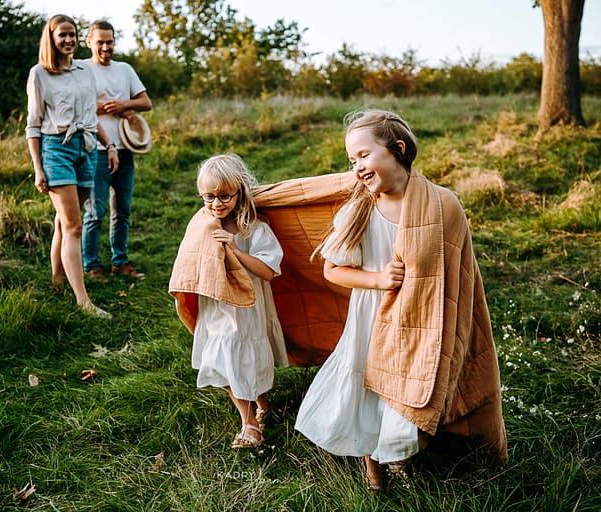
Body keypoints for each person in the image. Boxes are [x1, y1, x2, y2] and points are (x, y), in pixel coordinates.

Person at [292, 109, 507, 491]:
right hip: (372, 319)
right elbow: (333, 270)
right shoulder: (358, 212)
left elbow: (460, 274)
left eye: (363, 155)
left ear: (398, 149)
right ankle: (372, 464)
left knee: (408, 391)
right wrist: (377, 279)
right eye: (351, 160)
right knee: (368, 393)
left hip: (423, 317)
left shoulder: (443, 206)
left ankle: (397, 454)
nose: (357, 166)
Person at [169, 154, 289, 449]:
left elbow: (268, 272)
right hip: (217, 306)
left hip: (247, 308)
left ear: (240, 192)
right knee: (223, 360)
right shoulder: (202, 225)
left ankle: (262, 404)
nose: (216, 204)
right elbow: (191, 260)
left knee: (247, 361)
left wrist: (235, 250)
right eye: (208, 197)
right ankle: (249, 423)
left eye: (225, 196)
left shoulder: (254, 229)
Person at [26, 14, 115, 318]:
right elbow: (33, 125)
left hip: (87, 149)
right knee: (75, 226)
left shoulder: (85, 71)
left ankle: (57, 277)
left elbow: (91, 115)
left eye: (72, 34)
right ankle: (83, 301)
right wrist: (39, 168)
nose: (68, 40)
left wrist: (109, 145)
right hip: (57, 150)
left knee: (64, 222)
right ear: (51, 38)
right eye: (62, 35)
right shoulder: (39, 74)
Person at [81, 20, 152, 281]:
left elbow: (146, 102)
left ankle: (120, 262)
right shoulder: (81, 69)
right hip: (96, 150)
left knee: (122, 210)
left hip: (125, 149)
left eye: (109, 42)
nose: (105, 47)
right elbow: (76, 105)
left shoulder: (125, 69)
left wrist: (124, 104)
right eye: (100, 42)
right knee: (95, 212)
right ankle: (91, 266)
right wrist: (103, 107)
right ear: (89, 42)